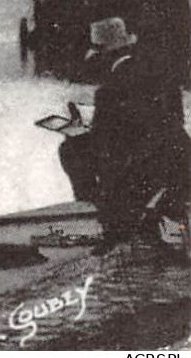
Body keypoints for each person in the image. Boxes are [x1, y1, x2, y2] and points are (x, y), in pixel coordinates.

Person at [59, 17, 191, 249]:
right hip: (181, 163)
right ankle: (155, 214)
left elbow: (104, 145)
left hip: (142, 173)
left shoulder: (109, 91)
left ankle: (103, 210)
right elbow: (171, 121)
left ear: (103, 56)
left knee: (70, 149)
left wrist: (76, 132)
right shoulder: (163, 74)